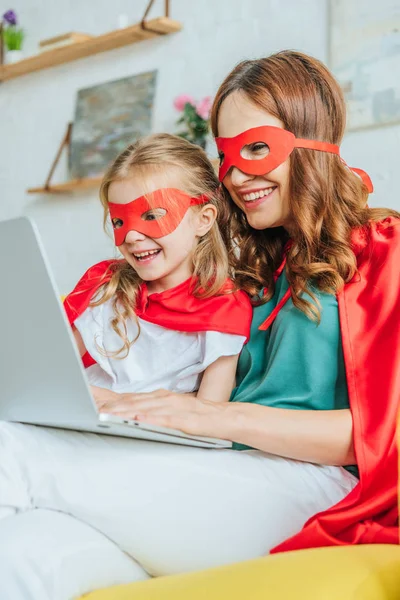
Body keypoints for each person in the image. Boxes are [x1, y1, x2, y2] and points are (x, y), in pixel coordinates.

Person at [0, 51, 397, 600]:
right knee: (21, 555)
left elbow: (379, 437)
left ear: (314, 140)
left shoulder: (380, 250)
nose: (236, 174)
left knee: (14, 449)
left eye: (258, 147)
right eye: (226, 156)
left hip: (315, 488)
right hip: (216, 471)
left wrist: (211, 417)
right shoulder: (255, 270)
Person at [63, 133, 252, 405]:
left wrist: (116, 403)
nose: (131, 237)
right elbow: (52, 373)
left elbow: (210, 416)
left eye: (152, 216)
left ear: (204, 219)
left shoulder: (224, 308)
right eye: (118, 221)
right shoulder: (103, 286)